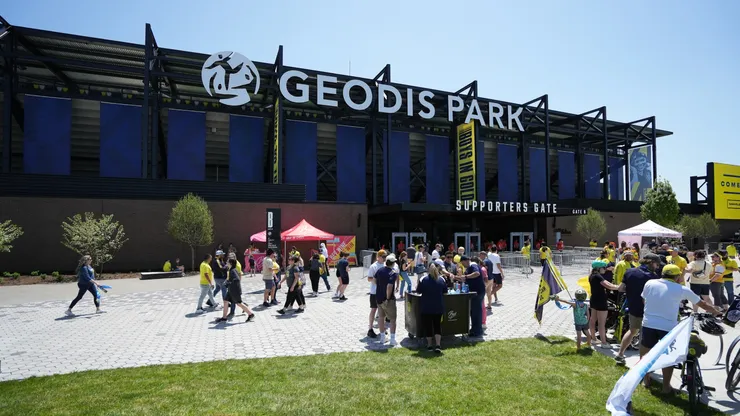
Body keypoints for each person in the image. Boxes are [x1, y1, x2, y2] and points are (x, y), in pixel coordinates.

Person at [639, 264, 721, 394]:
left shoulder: (650, 283)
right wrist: (716, 312)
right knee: (668, 356)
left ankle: (646, 379)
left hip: (648, 323)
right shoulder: (681, 289)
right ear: (677, 277)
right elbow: (702, 304)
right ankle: (666, 387)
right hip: (667, 327)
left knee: (645, 354)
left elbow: (644, 300)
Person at [613, 254, 661, 364]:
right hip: (648, 310)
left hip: (633, 307)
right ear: (651, 262)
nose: (657, 267)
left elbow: (621, 289)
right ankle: (643, 363)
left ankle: (620, 354)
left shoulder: (629, 271)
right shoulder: (653, 277)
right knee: (646, 337)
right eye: (656, 264)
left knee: (632, 331)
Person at [416, 264, 448, 353]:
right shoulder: (442, 279)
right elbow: (445, 291)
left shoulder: (423, 279)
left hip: (426, 306)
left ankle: (429, 345)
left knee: (428, 326)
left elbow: (418, 291)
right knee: (437, 325)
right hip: (438, 306)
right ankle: (438, 344)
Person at [589, 260, 620, 348]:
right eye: (604, 267)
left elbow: (607, 283)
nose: (605, 269)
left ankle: (594, 339)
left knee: (592, 320)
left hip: (594, 299)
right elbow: (608, 286)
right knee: (601, 323)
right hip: (601, 301)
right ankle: (604, 342)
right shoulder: (598, 276)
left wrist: (616, 285)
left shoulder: (592, 275)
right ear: (599, 268)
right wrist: (619, 287)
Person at [374, 253, 399, 346]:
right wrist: (388, 298)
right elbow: (389, 286)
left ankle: (382, 338)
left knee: (381, 318)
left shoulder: (379, 270)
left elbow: (374, 280)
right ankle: (392, 340)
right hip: (388, 299)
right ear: (392, 263)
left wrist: (380, 288)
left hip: (379, 297)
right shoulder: (393, 272)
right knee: (392, 319)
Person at [460, 255, 485, 338]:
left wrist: (466, 276)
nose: (463, 265)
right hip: (473, 292)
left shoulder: (473, 265)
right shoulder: (468, 268)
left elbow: (477, 273)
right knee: (473, 312)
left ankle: (477, 331)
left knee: (476, 312)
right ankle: (474, 329)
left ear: (465, 261)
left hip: (477, 292)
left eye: (463, 263)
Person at [366, 250, 387, 338]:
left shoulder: (386, 265)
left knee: (383, 310)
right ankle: (370, 329)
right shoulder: (373, 266)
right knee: (374, 309)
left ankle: (382, 328)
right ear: (378, 257)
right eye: (383, 257)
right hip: (375, 292)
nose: (384, 258)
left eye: (385, 257)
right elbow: (369, 278)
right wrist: (379, 282)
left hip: (384, 292)